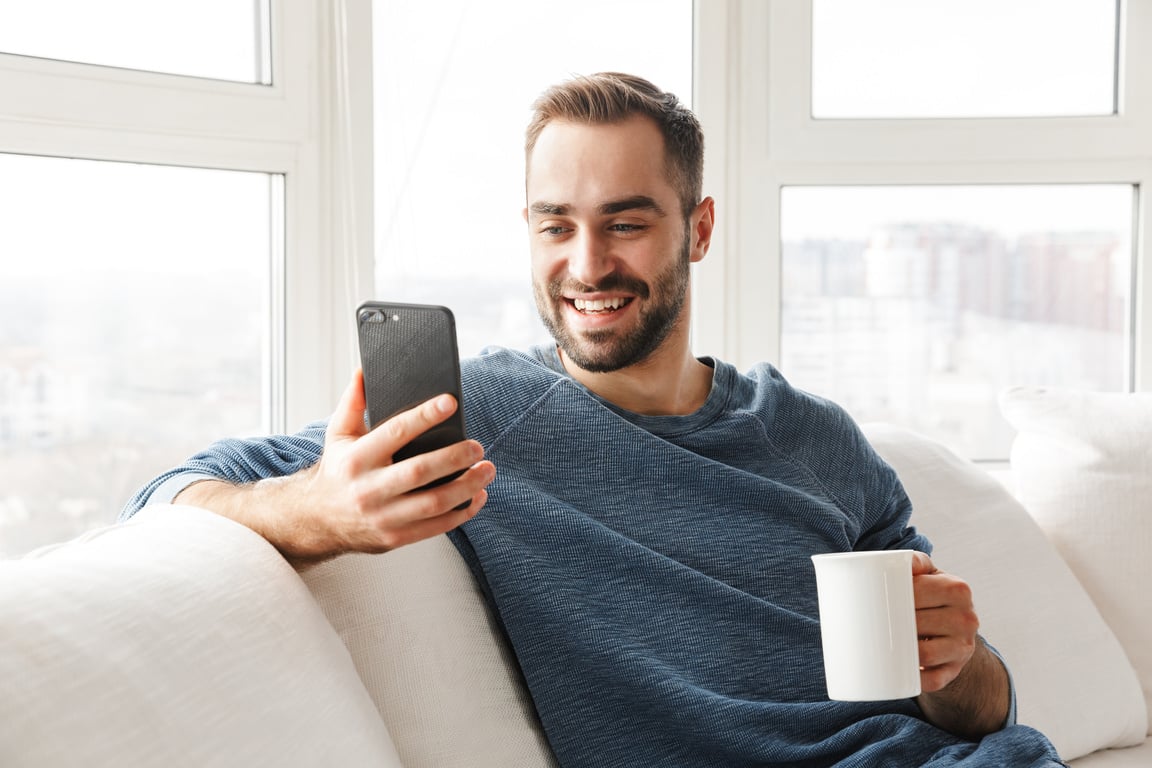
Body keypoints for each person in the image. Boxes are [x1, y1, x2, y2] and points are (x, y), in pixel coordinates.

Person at [122, 72, 1063, 767]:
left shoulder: (816, 437)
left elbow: (983, 712)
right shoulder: (473, 414)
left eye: (624, 222)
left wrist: (961, 658)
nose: (585, 264)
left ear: (697, 229)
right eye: (554, 224)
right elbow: (169, 494)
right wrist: (319, 513)